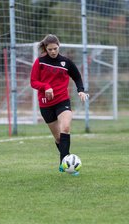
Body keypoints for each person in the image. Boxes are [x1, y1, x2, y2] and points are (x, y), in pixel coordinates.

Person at [30, 34, 89, 174]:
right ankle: (67, 161)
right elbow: (33, 82)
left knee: (66, 128)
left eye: (55, 48)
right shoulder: (40, 62)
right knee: (58, 138)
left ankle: (65, 164)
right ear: (45, 48)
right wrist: (45, 86)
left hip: (62, 100)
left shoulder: (65, 62)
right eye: (50, 49)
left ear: (59, 46)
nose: (53, 51)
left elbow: (77, 77)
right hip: (45, 104)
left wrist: (81, 90)